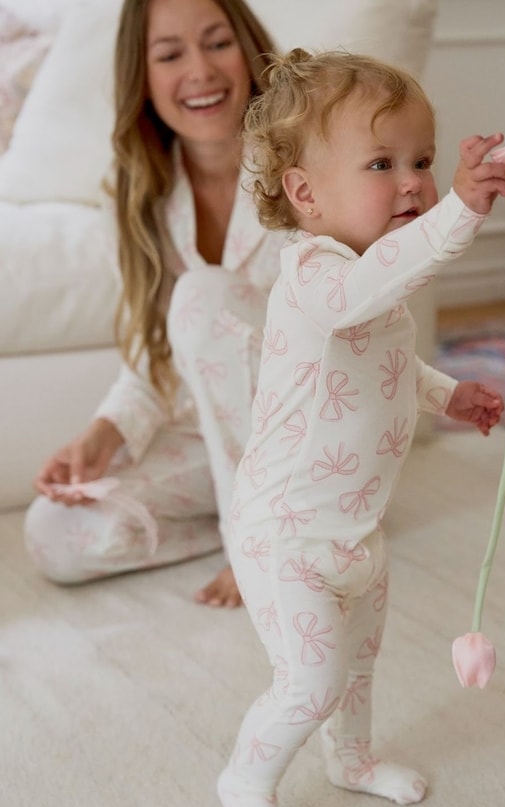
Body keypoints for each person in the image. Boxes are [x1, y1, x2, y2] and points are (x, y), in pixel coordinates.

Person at [217, 48, 505, 807]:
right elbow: (364, 296)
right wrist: (459, 210)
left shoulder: (375, 293)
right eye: (382, 164)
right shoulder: (317, 278)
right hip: (286, 534)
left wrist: (449, 394)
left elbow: (387, 366)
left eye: (422, 160)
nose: (412, 182)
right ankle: (245, 778)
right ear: (305, 193)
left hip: (357, 529)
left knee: (357, 664)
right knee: (309, 681)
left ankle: (350, 759)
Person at [23, 0, 287, 607]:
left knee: (203, 293)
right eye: (170, 55)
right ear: (142, 78)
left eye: (217, 43)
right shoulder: (140, 192)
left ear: (249, 50)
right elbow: (157, 348)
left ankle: (265, 539)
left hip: (309, 434)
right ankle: (271, 526)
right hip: (216, 444)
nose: (200, 71)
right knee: (54, 533)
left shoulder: (310, 163)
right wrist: (105, 433)